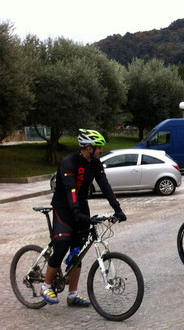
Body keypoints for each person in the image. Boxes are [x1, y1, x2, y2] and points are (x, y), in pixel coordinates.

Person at [41, 129, 127, 307]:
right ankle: (45, 285)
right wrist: (77, 213)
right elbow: (70, 189)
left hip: (80, 206)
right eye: (99, 148)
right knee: (62, 244)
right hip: (64, 207)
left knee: (77, 252)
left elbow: (105, 186)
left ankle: (72, 295)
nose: (101, 151)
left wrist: (118, 209)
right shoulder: (68, 163)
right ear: (88, 148)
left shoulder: (95, 163)